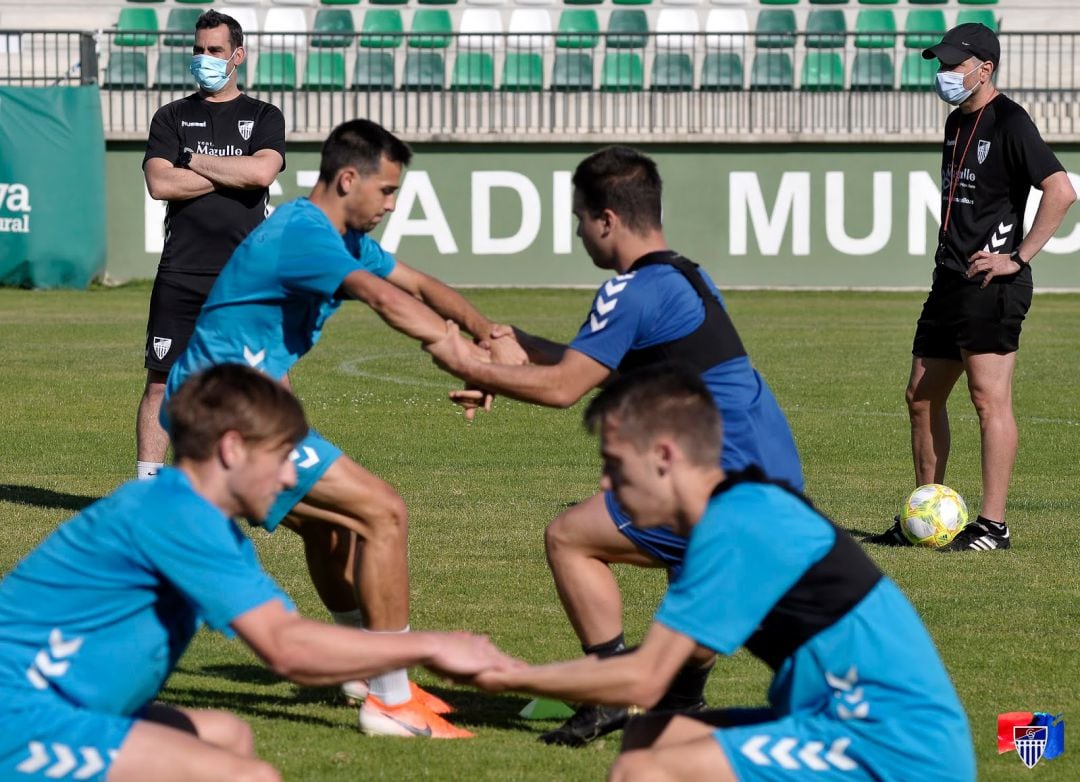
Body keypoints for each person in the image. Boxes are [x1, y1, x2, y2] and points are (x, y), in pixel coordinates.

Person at [425, 146, 804, 745]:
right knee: (694, 595)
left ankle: (607, 694)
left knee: (569, 536)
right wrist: (518, 344)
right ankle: (676, 704)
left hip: (724, 480)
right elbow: (609, 367)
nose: (579, 233)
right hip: (774, 472)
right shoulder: (685, 274)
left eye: (579, 219)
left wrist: (470, 363)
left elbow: (562, 389)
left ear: (606, 219)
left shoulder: (628, 291)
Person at [163, 119, 524, 738]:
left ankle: (363, 671)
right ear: (347, 178)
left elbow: (414, 282)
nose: (390, 204)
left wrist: (488, 332)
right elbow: (385, 300)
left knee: (333, 529)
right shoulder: (304, 236)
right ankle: (388, 699)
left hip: (235, 406)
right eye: (385, 191)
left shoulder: (343, 236)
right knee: (383, 512)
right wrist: (465, 357)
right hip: (223, 414)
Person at [0, 365, 510, 782]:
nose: (292, 477)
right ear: (232, 447)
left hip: (69, 708)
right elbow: (288, 652)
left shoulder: (212, 527)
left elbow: (295, 644)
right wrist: (428, 646)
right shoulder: (173, 514)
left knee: (228, 736)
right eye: (284, 456)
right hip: (21, 717)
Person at [467, 367, 976, 782]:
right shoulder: (730, 515)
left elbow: (642, 680)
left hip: (893, 745)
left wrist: (503, 675)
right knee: (653, 736)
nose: (605, 481)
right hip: (842, 721)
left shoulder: (737, 526)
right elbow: (657, 674)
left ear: (664, 456)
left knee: (648, 772)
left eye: (615, 463)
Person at [867, 23, 1076, 551]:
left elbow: (1061, 190)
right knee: (920, 396)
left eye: (954, 65)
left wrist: (1017, 257)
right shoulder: (956, 123)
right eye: (940, 64)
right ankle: (925, 510)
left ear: (984, 69)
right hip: (949, 280)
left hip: (990, 282)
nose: (944, 74)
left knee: (989, 399)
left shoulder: (1011, 121)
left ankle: (992, 525)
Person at [137, 9, 286, 482]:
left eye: (215, 51)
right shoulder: (171, 116)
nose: (205, 58)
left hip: (247, 275)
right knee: (162, 383)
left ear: (237, 56)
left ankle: (277, 484)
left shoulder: (264, 116)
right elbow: (160, 184)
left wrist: (194, 161)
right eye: (199, 50)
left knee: (268, 382)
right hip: (181, 273)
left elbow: (262, 173)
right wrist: (230, 173)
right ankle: (148, 486)